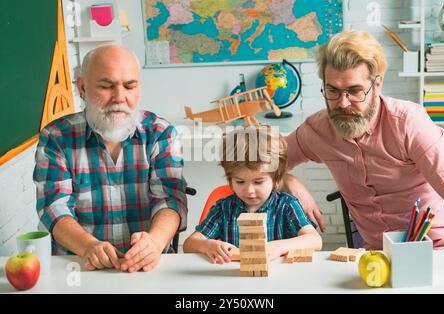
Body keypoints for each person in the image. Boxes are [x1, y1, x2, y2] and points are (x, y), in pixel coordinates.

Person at [284, 30, 444, 250]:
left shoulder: (409, 123)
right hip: (376, 255)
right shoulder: (317, 130)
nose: (342, 103)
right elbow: (256, 163)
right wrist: (287, 181)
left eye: (354, 91)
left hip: (438, 250)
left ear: (377, 84)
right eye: (333, 90)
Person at [33, 45, 188, 272]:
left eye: (130, 86)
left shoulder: (161, 132)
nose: (119, 98)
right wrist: (88, 246)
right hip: (80, 267)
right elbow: (54, 207)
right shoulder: (56, 138)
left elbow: (170, 199)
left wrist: (154, 242)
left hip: (149, 269)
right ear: (82, 87)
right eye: (106, 86)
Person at [183, 125, 322, 263]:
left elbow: (315, 240)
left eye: (258, 182)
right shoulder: (224, 209)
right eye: (240, 182)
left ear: (276, 179)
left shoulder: (286, 205)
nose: (249, 190)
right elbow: (189, 244)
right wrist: (208, 246)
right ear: (230, 180)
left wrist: (279, 247)